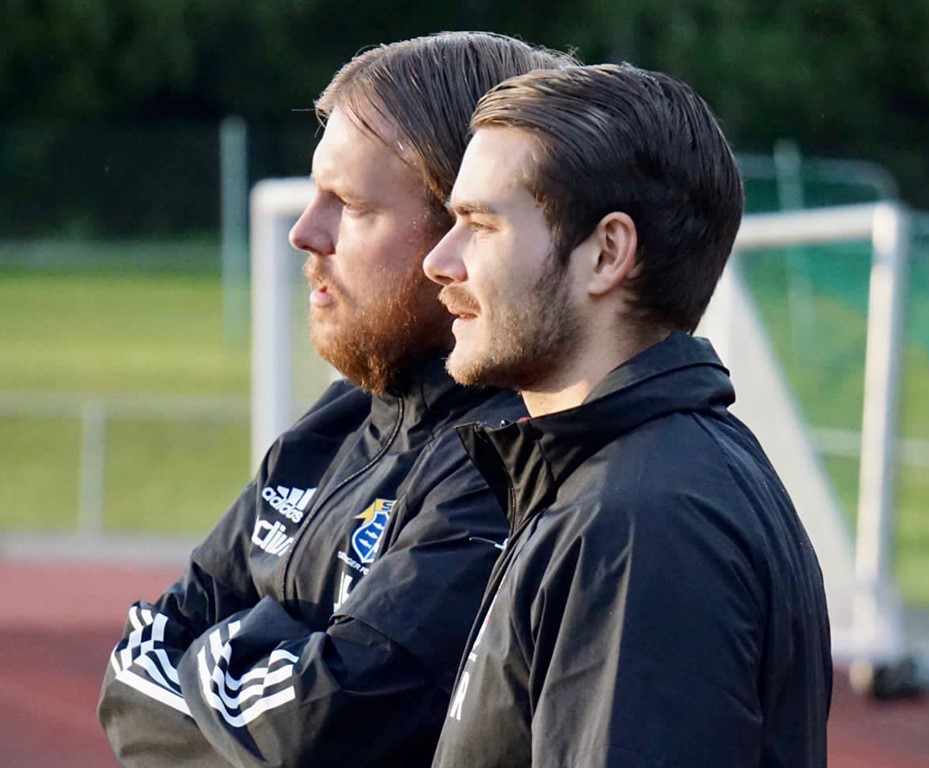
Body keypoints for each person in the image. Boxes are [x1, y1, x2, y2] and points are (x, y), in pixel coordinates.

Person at [97, 32, 576, 768]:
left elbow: (327, 731)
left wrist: (226, 650)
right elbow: (131, 675)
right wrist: (283, 668)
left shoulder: (506, 455)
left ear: (469, 226)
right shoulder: (337, 420)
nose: (302, 231)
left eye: (349, 205)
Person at [423, 63, 832, 767]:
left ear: (607, 254)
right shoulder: (629, 484)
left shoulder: (639, 525)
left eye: (479, 224)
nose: (439, 260)